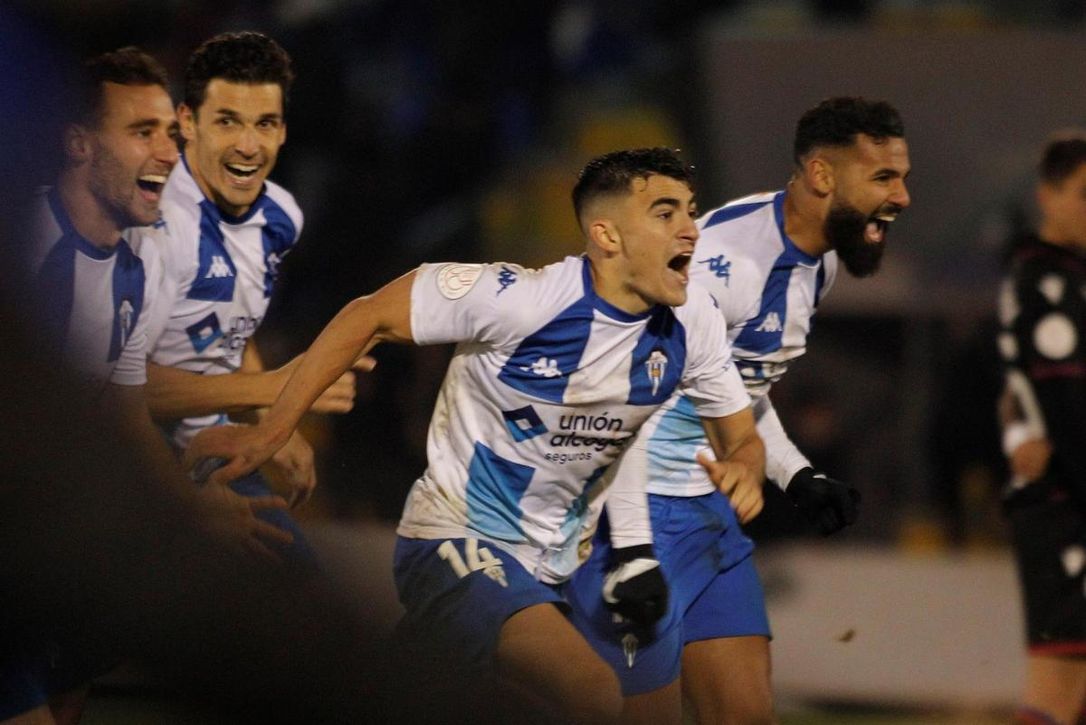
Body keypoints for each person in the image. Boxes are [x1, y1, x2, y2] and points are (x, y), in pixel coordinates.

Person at [185, 147, 767, 723]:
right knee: (588, 692)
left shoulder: (693, 322)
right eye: (666, 213)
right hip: (457, 537)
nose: (691, 230)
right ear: (607, 235)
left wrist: (744, 463)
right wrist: (270, 432)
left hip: (565, 560)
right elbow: (369, 314)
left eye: (691, 211)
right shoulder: (519, 300)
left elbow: (741, 437)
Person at [567, 97, 912, 723]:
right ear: (822, 176)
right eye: (883, 177)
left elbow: (734, 391)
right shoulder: (719, 262)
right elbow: (625, 400)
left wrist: (795, 474)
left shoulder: (819, 265)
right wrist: (635, 546)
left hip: (709, 513)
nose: (902, 197)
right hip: (633, 512)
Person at [5, 46, 291, 725]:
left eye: (169, 132)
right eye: (142, 132)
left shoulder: (138, 266)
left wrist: (191, 500)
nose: (167, 152)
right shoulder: (25, 249)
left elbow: (125, 410)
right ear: (79, 144)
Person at [139, 32, 365, 561]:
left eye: (264, 124)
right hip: (131, 459)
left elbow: (231, 332)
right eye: (227, 122)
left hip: (213, 450)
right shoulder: (154, 223)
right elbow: (117, 389)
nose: (248, 145)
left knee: (297, 587)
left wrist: (270, 422)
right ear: (188, 122)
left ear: (283, 131)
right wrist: (277, 390)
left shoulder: (281, 216)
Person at [997, 132, 1086, 725]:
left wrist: (1015, 431)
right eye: (1084, 194)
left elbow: (1012, 396)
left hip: (1062, 496)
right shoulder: (1047, 282)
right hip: (1064, 503)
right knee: (1057, 690)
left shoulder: (1065, 275)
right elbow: (1067, 406)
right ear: (1046, 196)